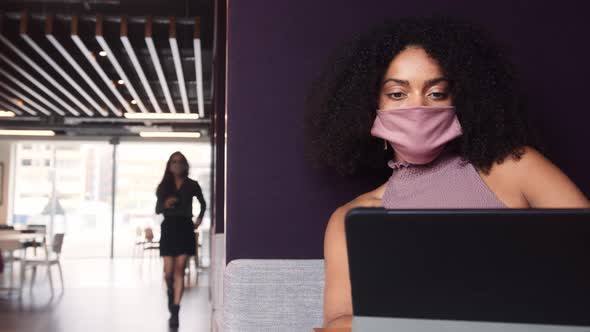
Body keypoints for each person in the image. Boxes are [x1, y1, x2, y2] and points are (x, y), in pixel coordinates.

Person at [305, 16, 590, 328]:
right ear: (371, 105)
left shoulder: (515, 166)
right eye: (398, 94)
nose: (419, 108)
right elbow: (339, 325)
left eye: (436, 93)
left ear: (462, 98)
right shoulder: (351, 219)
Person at [155, 151, 206, 328]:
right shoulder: (163, 186)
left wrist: (199, 219)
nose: (177, 164)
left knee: (179, 270)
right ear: (169, 165)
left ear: (185, 165)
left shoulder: (192, 185)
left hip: (185, 227)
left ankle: (175, 310)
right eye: (174, 162)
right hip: (169, 228)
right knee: (168, 272)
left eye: (180, 162)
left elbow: (203, 204)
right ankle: (170, 293)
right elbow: (157, 209)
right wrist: (165, 204)